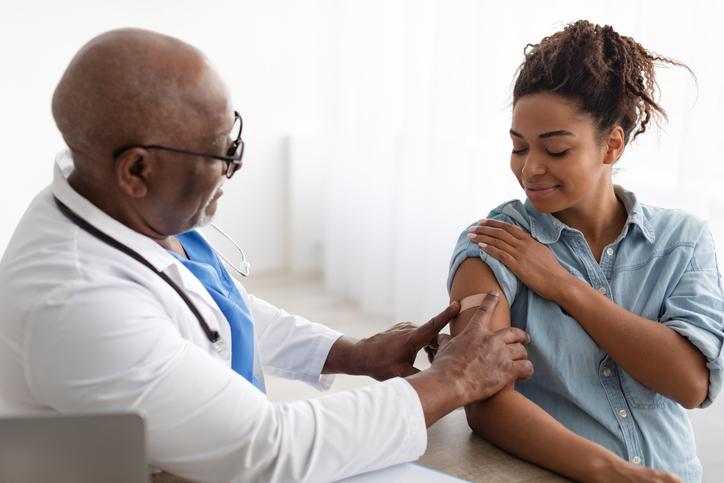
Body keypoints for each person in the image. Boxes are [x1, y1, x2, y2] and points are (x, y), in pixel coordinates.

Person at [0, 29, 534, 482]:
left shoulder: (112, 205)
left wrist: (353, 352)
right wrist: (451, 380)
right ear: (137, 171)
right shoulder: (76, 302)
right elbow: (268, 449)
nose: (234, 165)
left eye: (234, 138)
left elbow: (210, 310)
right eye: (221, 153)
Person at [447, 20, 723, 483]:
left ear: (611, 144)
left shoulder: (682, 241)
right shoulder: (493, 244)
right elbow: (484, 400)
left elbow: (691, 385)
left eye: (555, 150)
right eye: (518, 147)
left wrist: (565, 288)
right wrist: (612, 473)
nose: (530, 168)